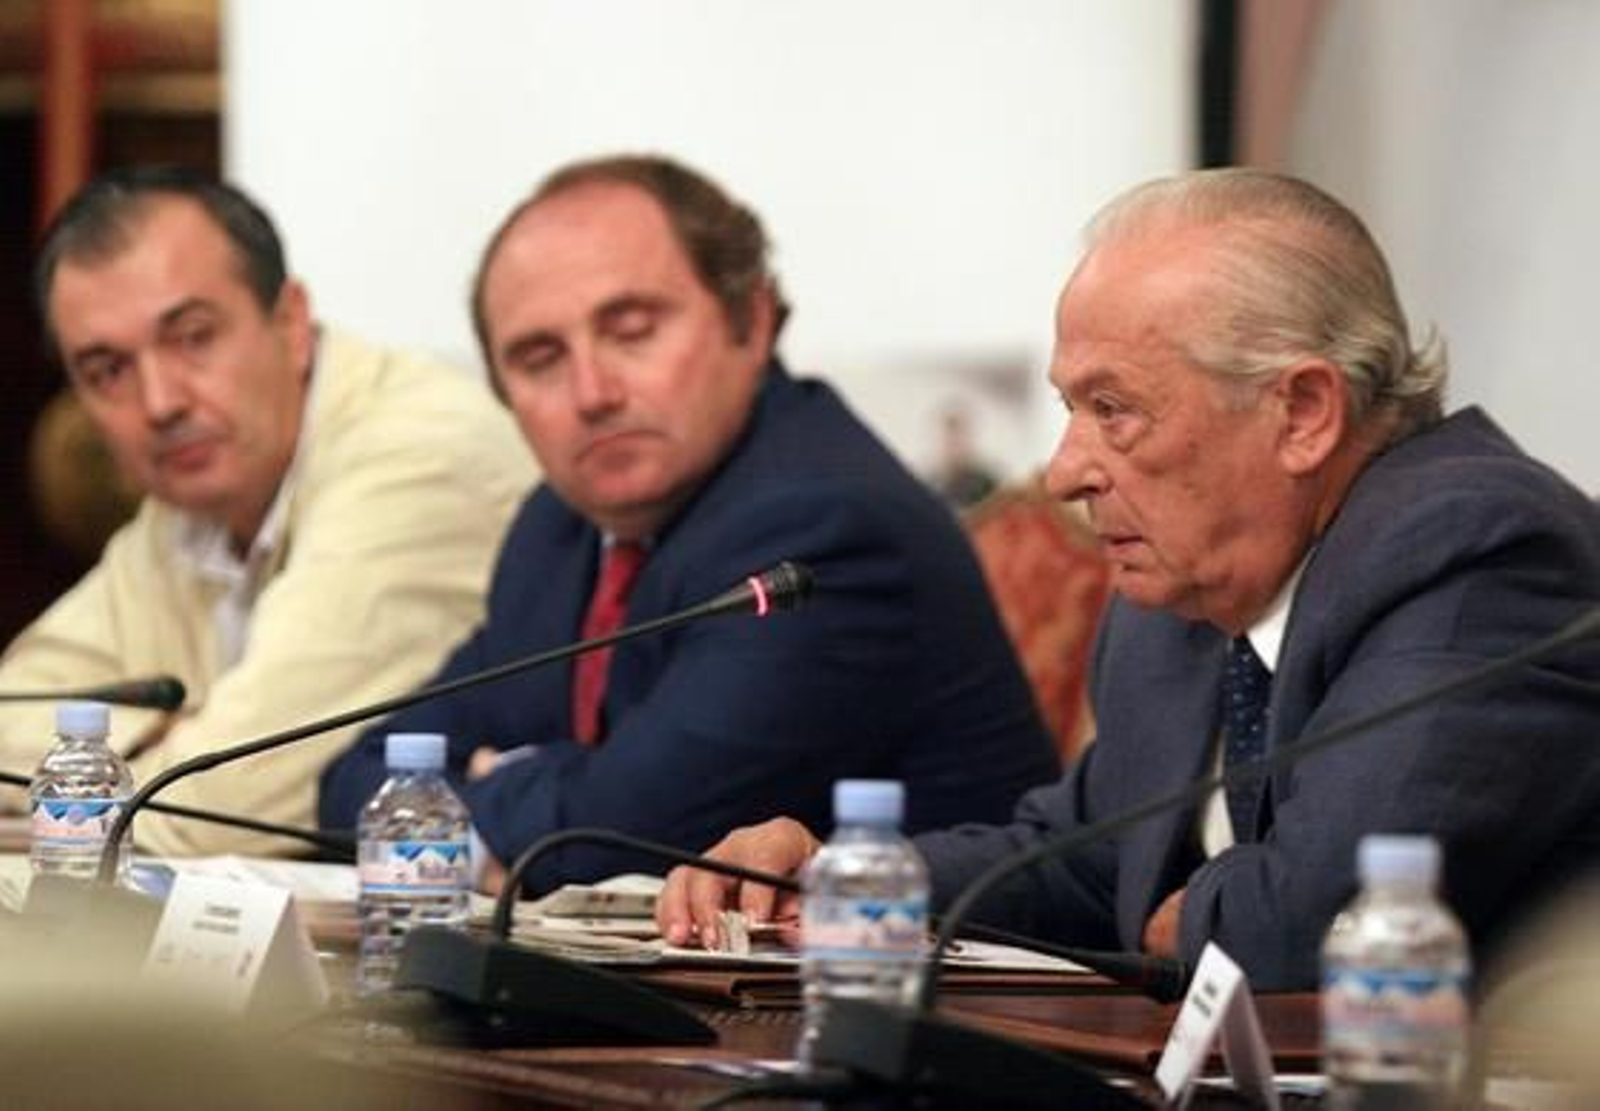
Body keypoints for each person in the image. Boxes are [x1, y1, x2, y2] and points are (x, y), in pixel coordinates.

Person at [656, 168, 1600, 991]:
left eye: (1114, 410)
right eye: (1072, 408)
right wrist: (845, 880)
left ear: (1304, 412)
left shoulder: (1481, 551)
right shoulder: (1185, 591)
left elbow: (1316, 929)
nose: (1065, 472)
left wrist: (1182, 915)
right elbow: (1080, 860)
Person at [317, 155, 1060, 890]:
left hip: (902, 964)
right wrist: (547, 785)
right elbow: (360, 783)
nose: (593, 392)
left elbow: (611, 842)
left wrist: (497, 778)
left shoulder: (827, 526)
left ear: (752, 320)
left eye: (633, 331)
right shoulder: (558, 528)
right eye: (541, 358)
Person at [0, 167, 536, 855]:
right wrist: (160, 742)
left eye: (193, 337)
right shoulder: (192, 503)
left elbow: (216, 812)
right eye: (108, 370)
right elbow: (13, 711)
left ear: (291, 324)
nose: (160, 402)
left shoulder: (423, 456)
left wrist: (101, 767)